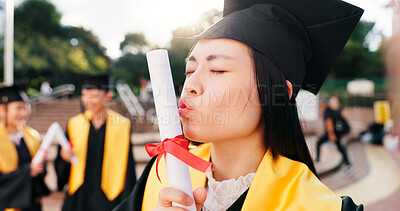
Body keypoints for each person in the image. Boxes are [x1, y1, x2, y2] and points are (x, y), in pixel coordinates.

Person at [115, 0, 364, 210]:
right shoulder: (163, 175)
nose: (190, 84)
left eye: (217, 69)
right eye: (190, 70)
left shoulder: (317, 205)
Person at [55, 74, 137, 211]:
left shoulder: (122, 125)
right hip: (80, 194)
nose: (88, 101)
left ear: (108, 96)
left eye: (93, 96)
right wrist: (64, 158)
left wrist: (129, 198)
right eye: (84, 95)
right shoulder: (74, 124)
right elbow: (62, 159)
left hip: (110, 194)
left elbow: (128, 165)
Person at [0, 83, 50, 211]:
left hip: (31, 205)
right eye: (18, 108)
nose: (24, 113)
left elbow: (40, 176)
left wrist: (41, 167)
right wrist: (28, 171)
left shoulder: (32, 135)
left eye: (26, 107)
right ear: (3, 110)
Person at [315, 96, 352, 171]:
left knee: (319, 143)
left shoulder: (328, 110)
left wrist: (331, 134)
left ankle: (318, 160)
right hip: (337, 133)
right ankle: (348, 165)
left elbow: (329, 122)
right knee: (340, 148)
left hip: (332, 133)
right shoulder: (339, 110)